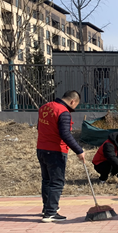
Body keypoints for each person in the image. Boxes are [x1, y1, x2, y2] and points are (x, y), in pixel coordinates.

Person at [36, 90, 85, 222]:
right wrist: (79, 150)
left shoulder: (44, 107)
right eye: (75, 106)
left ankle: (47, 207)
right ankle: (51, 213)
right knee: (56, 182)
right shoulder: (63, 112)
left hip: (41, 148)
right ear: (72, 101)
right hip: (56, 150)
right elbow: (66, 134)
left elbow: (38, 127)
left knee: (46, 180)